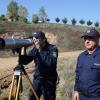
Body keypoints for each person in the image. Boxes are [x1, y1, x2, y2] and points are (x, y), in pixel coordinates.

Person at [19, 31, 58, 100]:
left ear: (44, 39)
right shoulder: (35, 49)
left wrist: (40, 50)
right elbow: (25, 61)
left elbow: (50, 63)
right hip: (37, 80)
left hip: (49, 81)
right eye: (33, 38)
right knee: (32, 98)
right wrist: (23, 49)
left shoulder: (52, 49)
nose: (35, 40)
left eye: (37, 38)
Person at [73, 28, 100, 100]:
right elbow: (77, 75)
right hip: (81, 96)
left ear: (98, 40)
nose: (87, 41)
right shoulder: (81, 56)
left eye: (90, 38)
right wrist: (76, 90)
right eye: (85, 38)